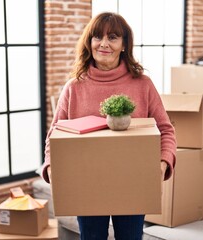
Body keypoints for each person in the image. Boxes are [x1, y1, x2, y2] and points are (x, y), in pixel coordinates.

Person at [41, 12, 176, 240]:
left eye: (112, 37)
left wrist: (163, 163)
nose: (104, 43)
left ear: (124, 45)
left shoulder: (143, 85)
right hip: (86, 184)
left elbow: (165, 130)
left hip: (133, 183)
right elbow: (54, 136)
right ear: (89, 42)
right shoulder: (73, 87)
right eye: (97, 37)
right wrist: (52, 167)